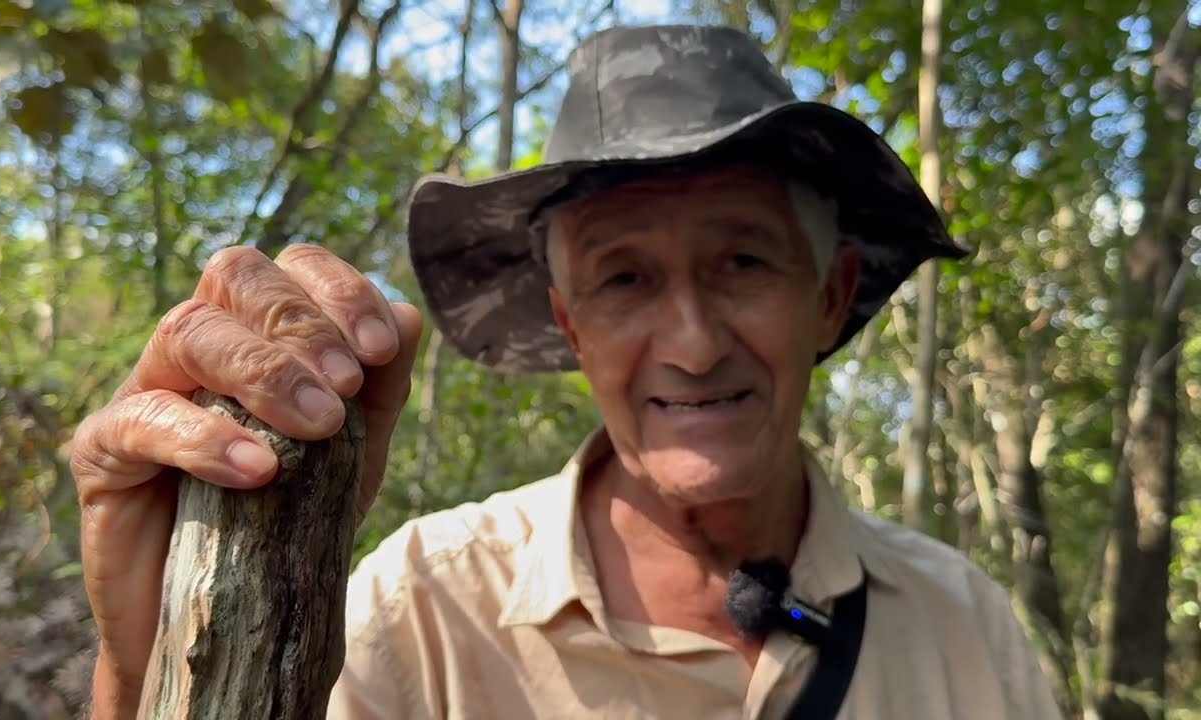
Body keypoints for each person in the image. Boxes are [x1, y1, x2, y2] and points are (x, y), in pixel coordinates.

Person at [70, 24, 1064, 720]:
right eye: (622, 278)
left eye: (744, 262)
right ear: (566, 321)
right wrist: (151, 664)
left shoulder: (959, 623)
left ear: (831, 294)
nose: (691, 343)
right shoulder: (421, 609)